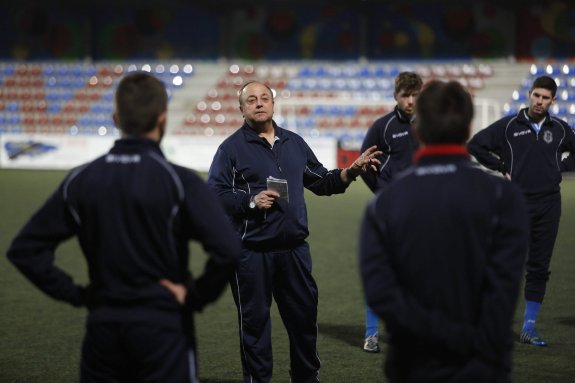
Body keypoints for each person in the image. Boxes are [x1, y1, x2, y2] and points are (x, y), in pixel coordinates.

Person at [6, 72, 241, 383]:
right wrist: (195, 296)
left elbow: (24, 250)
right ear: (163, 119)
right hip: (163, 327)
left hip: (103, 327)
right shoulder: (179, 181)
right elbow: (227, 249)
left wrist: (78, 294)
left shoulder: (81, 180)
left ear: (116, 118)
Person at [206, 80, 381, 383]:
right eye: (251, 100)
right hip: (251, 254)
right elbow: (214, 195)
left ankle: (306, 378)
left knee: (303, 323)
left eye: (264, 98)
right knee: (255, 328)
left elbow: (323, 181)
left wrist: (350, 172)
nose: (259, 103)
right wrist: (250, 200)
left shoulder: (294, 143)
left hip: (294, 253)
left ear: (273, 104)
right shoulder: (230, 149)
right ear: (241, 109)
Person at [359, 80, 529, 382]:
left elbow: (381, 293)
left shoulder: (385, 204)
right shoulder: (505, 197)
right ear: (467, 130)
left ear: (418, 130)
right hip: (484, 361)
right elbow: (503, 290)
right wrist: (468, 340)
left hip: (414, 362)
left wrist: (434, 336)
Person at [468, 75, 575, 346]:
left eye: (545, 98)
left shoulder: (561, 129)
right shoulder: (508, 127)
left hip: (549, 205)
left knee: (539, 267)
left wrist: (559, 168)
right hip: (515, 203)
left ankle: (529, 327)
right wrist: (501, 167)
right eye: (536, 95)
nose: (539, 102)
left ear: (553, 100)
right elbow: (475, 145)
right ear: (529, 94)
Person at [359, 71, 423, 353]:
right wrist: (383, 193)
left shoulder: (433, 125)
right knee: (382, 271)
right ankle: (372, 334)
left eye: (414, 95)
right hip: (390, 212)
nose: (410, 101)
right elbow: (364, 163)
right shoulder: (382, 127)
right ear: (395, 96)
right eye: (404, 96)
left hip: (424, 212)